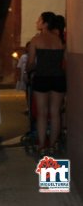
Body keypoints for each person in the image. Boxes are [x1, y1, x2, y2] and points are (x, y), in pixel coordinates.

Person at [26, 12, 66, 156]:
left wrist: (28, 71)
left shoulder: (36, 40)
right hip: (58, 78)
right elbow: (64, 62)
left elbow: (30, 63)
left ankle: (42, 145)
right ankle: (53, 144)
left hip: (42, 77)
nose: (37, 22)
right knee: (55, 113)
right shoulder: (59, 40)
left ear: (45, 24)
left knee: (42, 114)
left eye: (39, 20)